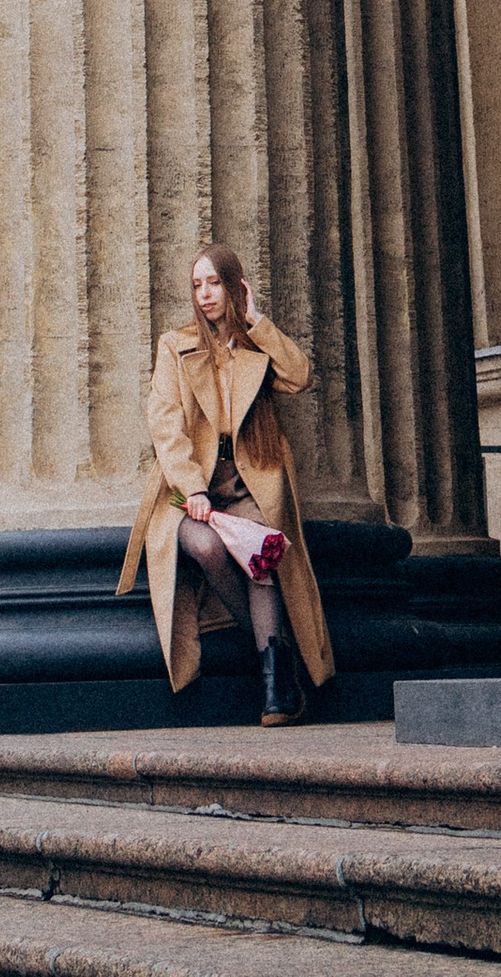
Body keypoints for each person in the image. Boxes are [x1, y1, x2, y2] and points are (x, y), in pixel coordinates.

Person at [117, 244, 334, 724]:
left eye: (214, 282)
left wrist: (256, 321)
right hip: (190, 490)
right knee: (208, 548)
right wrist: (192, 488)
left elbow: (300, 377)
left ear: (235, 286)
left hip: (248, 486)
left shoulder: (255, 346)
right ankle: (272, 650)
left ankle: (277, 680)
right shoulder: (176, 346)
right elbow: (166, 424)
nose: (205, 294)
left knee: (260, 561)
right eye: (197, 285)